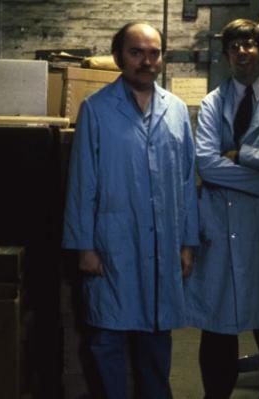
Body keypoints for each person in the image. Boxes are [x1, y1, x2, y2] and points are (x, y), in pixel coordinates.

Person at [62, 22, 199, 399]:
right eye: (136, 52)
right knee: (108, 340)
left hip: (163, 245)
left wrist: (188, 243)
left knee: (156, 342)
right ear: (120, 55)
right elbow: (82, 183)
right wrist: (84, 247)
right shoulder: (97, 109)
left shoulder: (174, 110)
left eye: (154, 53)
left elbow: (188, 181)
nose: (146, 61)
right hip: (113, 246)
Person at [185, 18, 259, 399]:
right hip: (221, 224)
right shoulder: (211, 103)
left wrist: (243, 155)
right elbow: (205, 162)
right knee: (218, 325)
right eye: (235, 46)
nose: (243, 51)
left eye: (250, 44)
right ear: (225, 55)